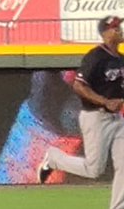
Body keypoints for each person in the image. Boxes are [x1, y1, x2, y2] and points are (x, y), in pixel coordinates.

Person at [39, 16, 124, 207]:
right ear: (105, 33)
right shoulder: (95, 56)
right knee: (94, 169)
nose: (119, 31)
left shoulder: (120, 59)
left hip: (117, 120)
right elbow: (78, 86)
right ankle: (54, 158)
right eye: (115, 28)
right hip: (95, 117)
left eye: (119, 27)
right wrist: (104, 101)